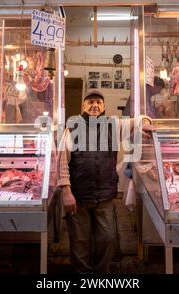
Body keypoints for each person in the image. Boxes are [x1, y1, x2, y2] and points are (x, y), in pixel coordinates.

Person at [57, 90, 154, 273]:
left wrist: (146, 124)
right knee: (79, 241)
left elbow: (141, 118)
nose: (94, 105)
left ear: (104, 107)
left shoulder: (114, 125)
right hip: (78, 197)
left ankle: (101, 275)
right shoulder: (73, 128)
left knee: (108, 238)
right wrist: (66, 191)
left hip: (105, 196)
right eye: (90, 102)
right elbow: (62, 161)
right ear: (83, 106)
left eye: (98, 102)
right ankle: (84, 275)